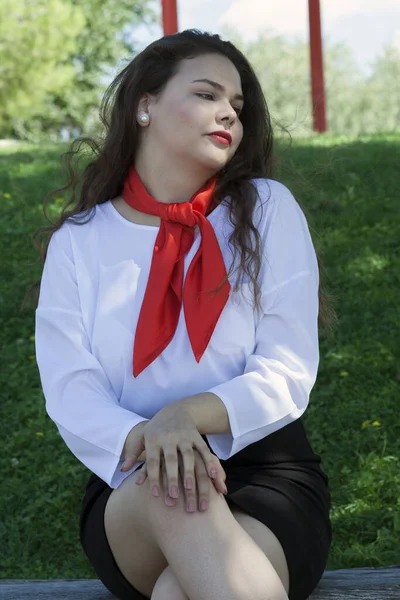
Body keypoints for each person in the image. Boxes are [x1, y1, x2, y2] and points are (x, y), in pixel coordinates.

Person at [33, 29, 334, 600]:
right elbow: (71, 389)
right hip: (133, 487)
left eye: (237, 106)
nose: (227, 113)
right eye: (206, 94)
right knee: (172, 484)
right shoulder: (81, 242)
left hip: (269, 479)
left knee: (179, 591)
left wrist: (185, 417)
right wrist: (156, 436)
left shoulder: (267, 210)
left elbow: (288, 370)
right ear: (145, 104)